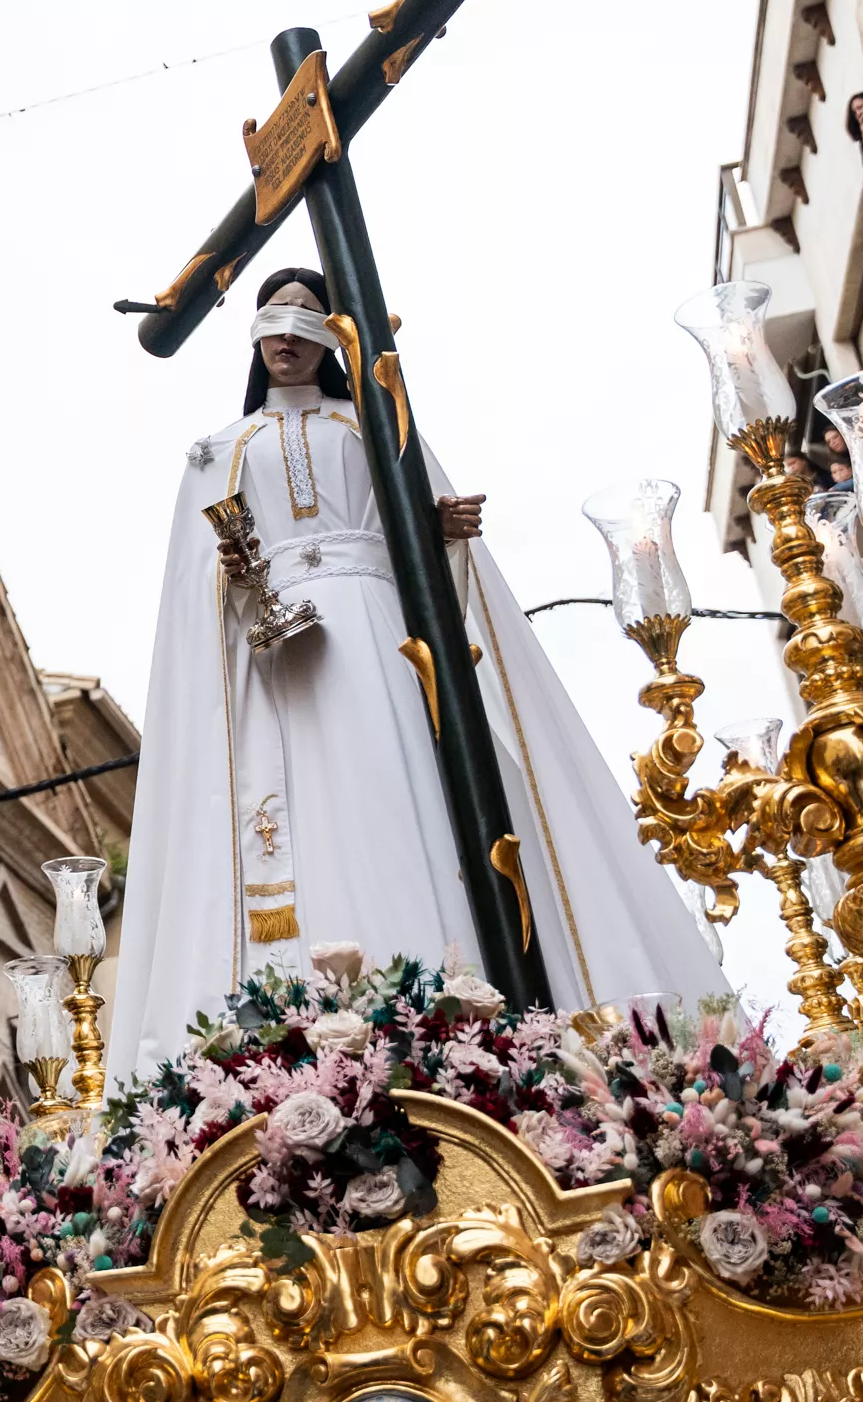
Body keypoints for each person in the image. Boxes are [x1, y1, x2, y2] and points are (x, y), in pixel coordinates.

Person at [106, 271, 729, 1078]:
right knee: (310, 808)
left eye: (305, 320)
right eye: (272, 322)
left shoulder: (378, 429)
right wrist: (229, 578)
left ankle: (466, 985)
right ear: (255, 340)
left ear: (336, 336)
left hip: (383, 638)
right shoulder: (218, 453)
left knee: (409, 787)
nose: (288, 337)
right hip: (282, 664)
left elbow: (430, 552)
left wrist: (444, 535)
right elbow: (192, 598)